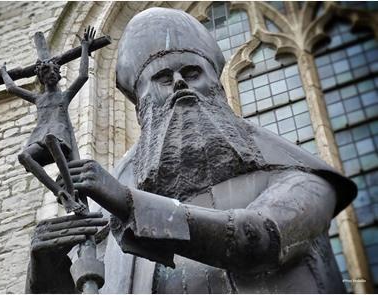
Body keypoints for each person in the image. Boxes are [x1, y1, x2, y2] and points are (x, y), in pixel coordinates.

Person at [26, 8, 357, 293]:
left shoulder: (301, 182)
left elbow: (257, 239)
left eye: (192, 73)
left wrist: (126, 202)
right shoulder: (110, 235)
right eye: (164, 79)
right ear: (142, 107)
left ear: (217, 89)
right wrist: (46, 276)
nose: (180, 83)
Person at [0, 26, 98, 215]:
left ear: (59, 74)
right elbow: (12, 88)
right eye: (47, 72)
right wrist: (3, 73)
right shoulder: (39, 99)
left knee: (51, 139)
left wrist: (85, 48)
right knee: (24, 156)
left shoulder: (64, 96)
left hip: (59, 136)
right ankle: (62, 193)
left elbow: (83, 75)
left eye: (55, 71)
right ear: (42, 78)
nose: (52, 74)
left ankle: (71, 190)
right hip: (40, 135)